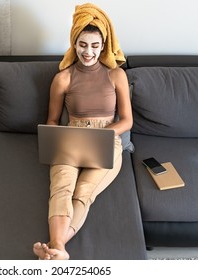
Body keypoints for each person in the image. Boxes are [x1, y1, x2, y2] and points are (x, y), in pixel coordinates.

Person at [33, 3, 133, 260]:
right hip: (71, 138)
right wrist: (54, 139)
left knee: (84, 192)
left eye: (95, 45)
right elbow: (53, 120)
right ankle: (59, 249)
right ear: (74, 44)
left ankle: (56, 247)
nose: (88, 52)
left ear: (103, 45)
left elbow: (127, 121)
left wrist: (106, 134)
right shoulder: (63, 78)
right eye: (83, 44)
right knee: (62, 187)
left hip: (107, 138)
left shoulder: (116, 75)